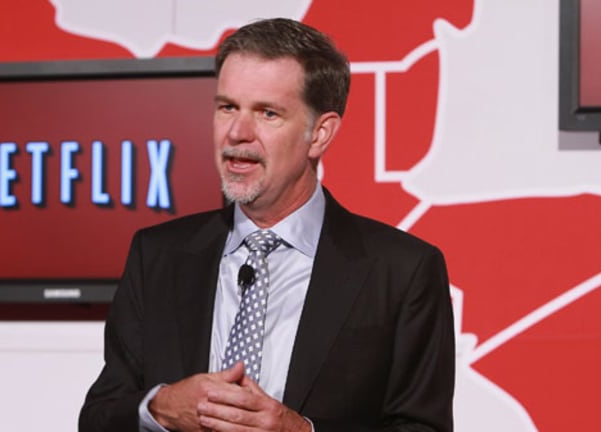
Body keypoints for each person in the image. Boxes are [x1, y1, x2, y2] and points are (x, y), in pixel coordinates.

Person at [79, 18, 454, 432]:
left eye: (268, 113)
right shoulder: (157, 255)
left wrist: (300, 431)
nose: (237, 133)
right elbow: (98, 417)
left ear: (320, 134)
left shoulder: (402, 271)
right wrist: (159, 408)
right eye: (227, 107)